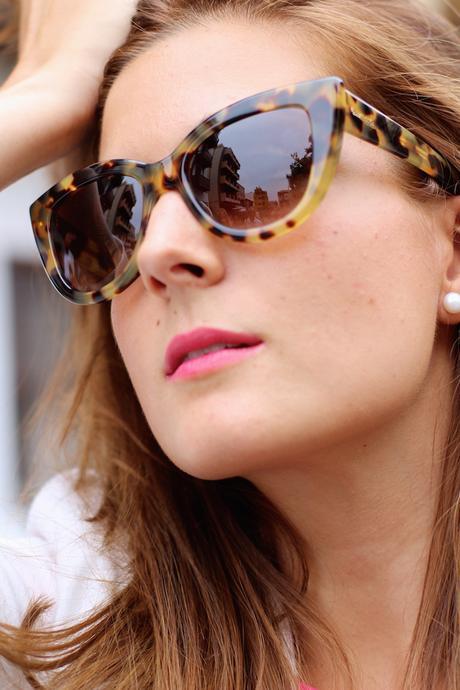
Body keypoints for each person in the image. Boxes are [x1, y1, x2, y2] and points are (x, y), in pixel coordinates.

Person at [0, 0, 459, 688]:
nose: (156, 253)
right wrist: (37, 96)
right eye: (111, 217)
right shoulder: (59, 614)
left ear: (453, 248)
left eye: (252, 166)